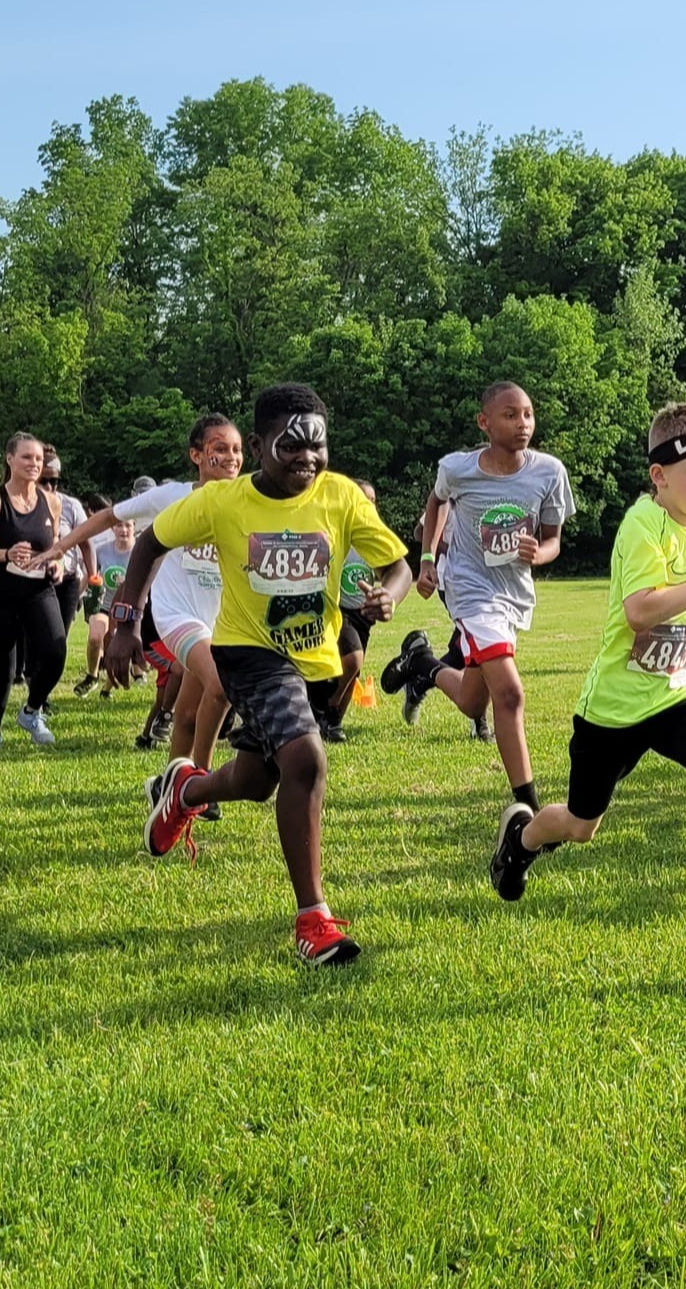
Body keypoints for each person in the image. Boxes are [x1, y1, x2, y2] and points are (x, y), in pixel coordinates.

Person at [109, 384, 412, 967]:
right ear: (259, 444)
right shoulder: (224, 502)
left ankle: (186, 790)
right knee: (306, 761)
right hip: (248, 653)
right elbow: (149, 544)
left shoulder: (341, 496)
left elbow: (395, 567)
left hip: (317, 663)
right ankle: (313, 920)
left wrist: (388, 599)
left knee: (256, 780)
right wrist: (125, 620)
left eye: (317, 448)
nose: (307, 460)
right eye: (291, 446)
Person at [488, 401, 686, 978]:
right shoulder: (640, 526)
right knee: (580, 825)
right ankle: (522, 838)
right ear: (660, 476)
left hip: (677, 694)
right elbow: (640, 610)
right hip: (615, 708)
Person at [381, 381, 576, 815]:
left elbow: (553, 540)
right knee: (509, 694)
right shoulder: (458, 468)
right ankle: (527, 805)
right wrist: (428, 560)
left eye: (527, 413)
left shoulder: (549, 472)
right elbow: (435, 505)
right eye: (510, 415)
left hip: (513, 594)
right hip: (469, 588)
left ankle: (422, 664)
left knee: (473, 700)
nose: (522, 423)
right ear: (484, 422)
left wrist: (538, 553)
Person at [39, 415, 242, 768]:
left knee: (189, 715)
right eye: (220, 448)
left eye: (237, 450)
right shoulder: (170, 496)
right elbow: (108, 517)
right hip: (177, 616)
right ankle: (202, 780)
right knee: (221, 685)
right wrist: (62, 546)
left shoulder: (246, 499)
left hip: (221, 620)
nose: (231, 457)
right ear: (196, 455)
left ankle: (170, 785)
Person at [0, 433, 68, 748]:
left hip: (38, 590)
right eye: (26, 457)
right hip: (0, 593)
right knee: (3, 671)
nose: (34, 464)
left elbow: (56, 549)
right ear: (10, 459)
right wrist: (7, 554)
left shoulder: (51, 501)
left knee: (56, 652)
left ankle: (31, 711)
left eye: (38, 459)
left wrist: (59, 564)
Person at [321, 478, 385, 743]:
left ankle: (334, 722)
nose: (367, 505)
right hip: (338, 610)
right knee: (353, 659)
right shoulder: (335, 533)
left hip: (363, 615)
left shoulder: (375, 540)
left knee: (354, 671)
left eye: (372, 501)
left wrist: (384, 593)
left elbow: (390, 571)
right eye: (362, 499)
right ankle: (321, 711)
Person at [73, 496, 133, 697]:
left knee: (116, 649)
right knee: (95, 636)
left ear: (134, 527)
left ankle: (108, 687)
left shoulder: (140, 552)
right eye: (119, 526)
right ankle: (92, 676)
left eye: (127, 526)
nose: (123, 530)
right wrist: (76, 598)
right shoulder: (101, 551)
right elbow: (91, 576)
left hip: (129, 609)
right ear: (112, 529)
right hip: (104, 605)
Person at [40, 446, 94, 656]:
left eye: (54, 481)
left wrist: (93, 577)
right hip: (37, 579)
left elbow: (86, 543)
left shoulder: (70, 506)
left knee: (59, 636)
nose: (49, 487)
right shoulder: (22, 506)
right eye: (43, 481)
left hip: (67, 580)